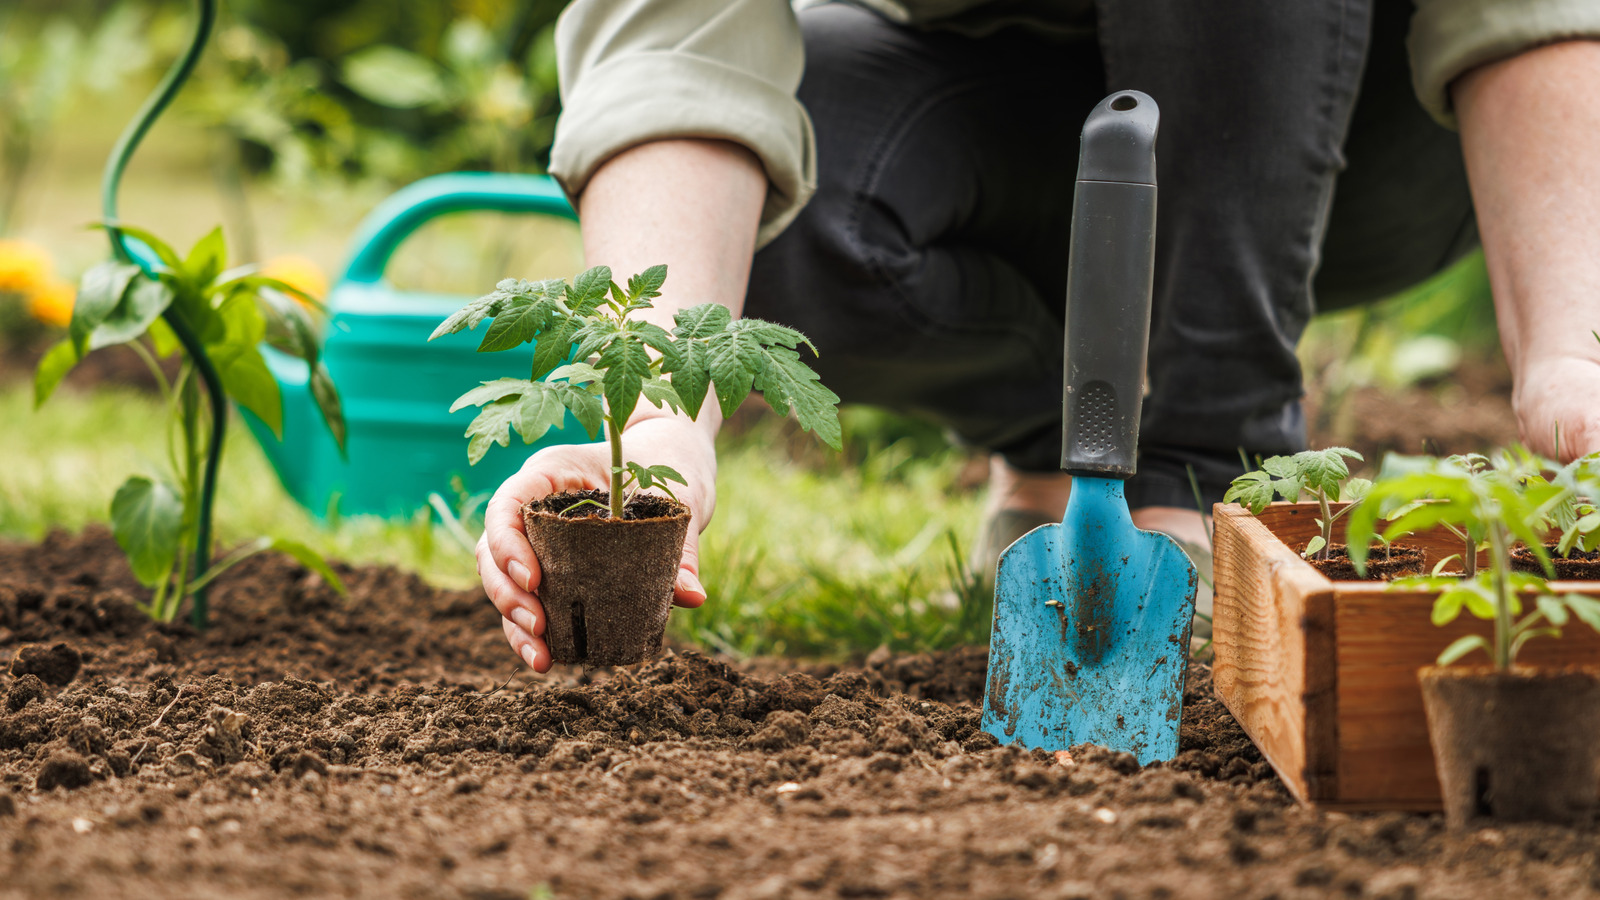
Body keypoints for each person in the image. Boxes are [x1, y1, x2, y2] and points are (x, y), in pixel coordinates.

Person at [477, 0, 1600, 672]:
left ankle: (1202, 465)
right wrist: (662, 429)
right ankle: (1072, 455)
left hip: (1358, 123)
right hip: (1003, 100)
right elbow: (675, 46)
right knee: (792, 216)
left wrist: (1571, 351)